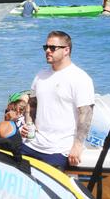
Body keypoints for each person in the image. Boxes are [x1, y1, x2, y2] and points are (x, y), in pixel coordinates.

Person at [19, 31, 94, 170]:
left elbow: (86, 114)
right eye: (46, 47)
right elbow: (32, 105)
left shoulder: (80, 78)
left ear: (66, 50)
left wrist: (77, 146)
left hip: (59, 149)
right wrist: (29, 125)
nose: (48, 51)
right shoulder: (40, 76)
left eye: (53, 48)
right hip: (32, 144)